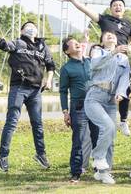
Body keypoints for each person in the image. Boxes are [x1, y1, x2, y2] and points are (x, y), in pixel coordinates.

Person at [0, 20, 55, 173]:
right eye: (27, 26)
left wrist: (48, 80)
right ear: (22, 31)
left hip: (36, 91)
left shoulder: (43, 47)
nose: (31, 28)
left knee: (38, 124)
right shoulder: (18, 43)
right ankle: (3, 156)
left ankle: (40, 154)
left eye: (34, 27)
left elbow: (51, 65)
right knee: (12, 123)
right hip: (19, 88)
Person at [63, 0, 131, 137]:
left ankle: (123, 120)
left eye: (120, 5)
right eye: (115, 5)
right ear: (111, 8)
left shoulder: (128, 23)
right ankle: (98, 112)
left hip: (121, 60)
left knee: (125, 89)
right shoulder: (105, 20)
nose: (118, 7)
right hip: (107, 57)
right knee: (105, 87)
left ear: (124, 8)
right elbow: (88, 11)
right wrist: (74, 1)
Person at [85, 31, 131, 185]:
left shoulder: (123, 58)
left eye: (112, 35)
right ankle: (97, 157)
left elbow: (125, 78)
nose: (110, 36)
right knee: (109, 126)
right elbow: (95, 64)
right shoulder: (99, 51)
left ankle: (104, 173)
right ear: (102, 41)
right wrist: (112, 52)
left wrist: (120, 92)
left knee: (110, 137)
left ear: (117, 39)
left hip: (111, 99)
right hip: (95, 96)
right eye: (106, 35)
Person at [59, 36, 92, 183]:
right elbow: (63, 91)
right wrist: (65, 112)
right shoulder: (66, 68)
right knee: (78, 140)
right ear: (67, 51)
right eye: (73, 43)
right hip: (78, 107)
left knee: (98, 138)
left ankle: (100, 169)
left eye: (77, 42)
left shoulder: (90, 62)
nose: (77, 44)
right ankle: (76, 172)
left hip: (95, 104)